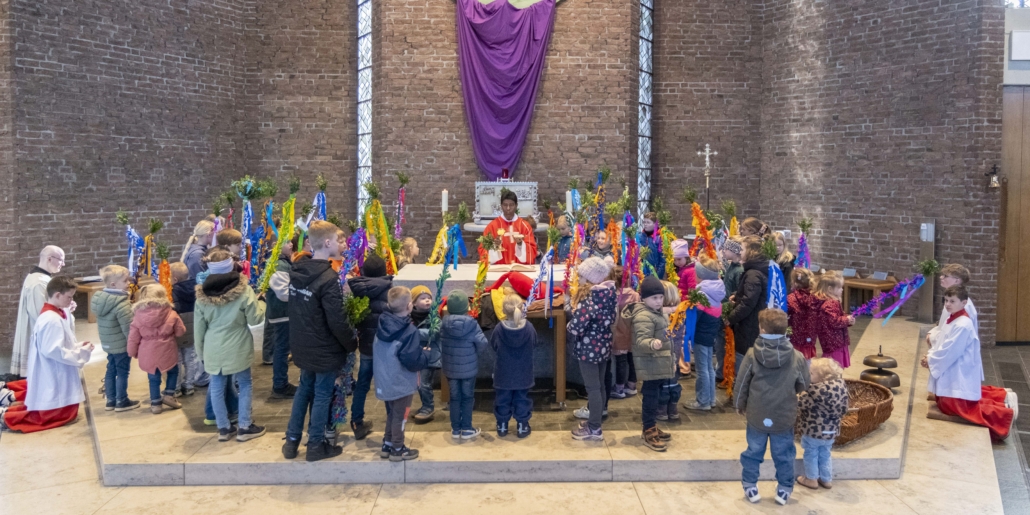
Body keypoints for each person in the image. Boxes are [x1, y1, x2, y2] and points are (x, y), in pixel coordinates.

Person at [282, 221, 358, 461]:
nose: (340, 244)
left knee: (304, 390)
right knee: (323, 394)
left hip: (303, 344)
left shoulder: (297, 271)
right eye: (337, 240)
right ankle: (315, 445)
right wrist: (351, 343)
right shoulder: (328, 278)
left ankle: (291, 442)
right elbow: (337, 319)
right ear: (327, 243)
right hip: (324, 348)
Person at [734, 308, 810, 505]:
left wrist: (739, 404)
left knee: (753, 452)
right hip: (784, 415)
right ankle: (784, 489)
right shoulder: (797, 357)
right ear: (786, 330)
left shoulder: (751, 355)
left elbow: (742, 383)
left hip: (757, 413)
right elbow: (804, 384)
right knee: (784, 454)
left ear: (761, 329)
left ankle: (750, 486)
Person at [923, 285, 1015, 442]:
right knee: (946, 403)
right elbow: (943, 344)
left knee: (954, 406)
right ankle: (1002, 403)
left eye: (952, 301)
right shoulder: (953, 318)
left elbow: (950, 351)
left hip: (957, 371)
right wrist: (930, 356)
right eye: (946, 300)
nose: (948, 304)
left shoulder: (962, 324)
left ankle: (1003, 416)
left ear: (964, 303)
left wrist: (930, 360)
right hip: (951, 369)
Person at [1, 276, 91, 433]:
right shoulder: (52, 320)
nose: (71, 300)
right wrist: (80, 353)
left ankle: (7, 409)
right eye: (69, 297)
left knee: (54, 411)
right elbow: (53, 350)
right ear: (57, 295)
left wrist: (77, 346)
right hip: (54, 372)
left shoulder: (52, 314)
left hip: (52, 368)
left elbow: (58, 344)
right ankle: (6, 416)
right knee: (52, 415)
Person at [195, 248, 267, 443]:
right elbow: (255, 318)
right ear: (230, 266)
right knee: (245, 383)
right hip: (238, 344)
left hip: (212, 346)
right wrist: (262, 303)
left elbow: (199, 329)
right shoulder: (244, 291)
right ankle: (245, 425)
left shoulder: (201, 295)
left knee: (217, 386)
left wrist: (201, 354)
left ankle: (224, 428)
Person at [374, 286, 428, 461]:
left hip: (385, 379)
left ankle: (387, 443)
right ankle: (398, 448)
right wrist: (424, 356)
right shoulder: (408, 331)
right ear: (409, 306)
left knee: (392, 413)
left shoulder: (382, 322)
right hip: (401, 381)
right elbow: (411, 360)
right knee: (401, 416)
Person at [568, 257, 617, 441]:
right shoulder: (608, 294)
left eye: (581, 276)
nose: (579, 279)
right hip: (603, 346)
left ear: (589, 279)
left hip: (589, 349)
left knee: (593, 389)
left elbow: (575, 328)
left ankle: (594, 428)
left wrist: (571, 321)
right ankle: (595, 420)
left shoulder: (589, 300)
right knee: (600, 386)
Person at [348, 254, 393, 440]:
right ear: (384, 271)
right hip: (384, 347)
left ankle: (356, 421)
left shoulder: (357, 290)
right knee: (388, 385)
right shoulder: (389, 290)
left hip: (366, 345)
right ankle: (392, 424)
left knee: (362, 384)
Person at [626, 275, 674, 451]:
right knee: (650, 398)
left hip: (658, 362)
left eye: (661, 297)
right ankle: (648, 430)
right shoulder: (644, 316)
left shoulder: (656, 312)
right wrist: (652, 343)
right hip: (651, 362)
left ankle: (652, 425)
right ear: (644, 298)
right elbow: (641, 341)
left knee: (655, 396)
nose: (659, 301)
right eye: (654, 298)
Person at [127, 284, 186, 415]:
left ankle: (155, 404)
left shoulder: (138, 316)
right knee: (173, 371)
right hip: (167, 350)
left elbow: (133, 338)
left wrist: (132, 352)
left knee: (153, 377)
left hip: (148, 351)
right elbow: (180, 332)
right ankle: (169, 395)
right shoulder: (171, 313)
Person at [440, 289, 489, 439]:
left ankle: (455, 429)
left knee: (454, 398)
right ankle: (466, 428)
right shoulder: (472, 325)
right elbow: (483, 343)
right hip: (468, 368)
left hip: (450, 368)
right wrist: (473, 354)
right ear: (467, 307)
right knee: (467, 397)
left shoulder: (443, 324)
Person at [11, 246, 65, 378]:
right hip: (39, 335)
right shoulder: (39, 282)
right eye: (61, 260)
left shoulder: (39, 278)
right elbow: (42, 314)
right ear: (49, 259)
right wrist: (64, 310)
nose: (63, 264)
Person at [795, 357, 849, 490]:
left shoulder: (813, 392)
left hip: (813, 432)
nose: (808, 375)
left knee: (811, 453)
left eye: (811, 373)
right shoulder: (841, 389)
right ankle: (826, 479)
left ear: (821, 377)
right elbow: (844, 409)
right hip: (831, 432)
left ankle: (811, 479)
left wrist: (797, 395)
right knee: (825, 454)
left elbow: (798, 404)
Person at [92, 264, 139, 412]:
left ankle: (110, 400)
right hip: (121, 345)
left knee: (111, 370)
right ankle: (122, 400)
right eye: (125, 281)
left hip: (108, 343)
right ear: (113, 284)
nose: (128, 283)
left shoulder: (101, 300)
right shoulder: (121, 304)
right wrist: (135, 345)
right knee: (122, 372)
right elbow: (129, 328)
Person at [683, 259, 726, 412]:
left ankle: (703, 401)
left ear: (701, 275)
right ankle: (711, 399)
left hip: (700, 336)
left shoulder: (702, 294)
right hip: (710, 334)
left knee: (702, 370)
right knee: (709, 368)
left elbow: (695, 317)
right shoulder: (717, 290)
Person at [492, 293, 537, 438]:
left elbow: (494, 345)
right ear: (522, 308)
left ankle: (502, 425)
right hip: (524, 372)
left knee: (502, 399)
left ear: (503, 310)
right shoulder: (529, 328)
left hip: (503, 373)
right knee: (522, 399)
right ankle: (522, 426)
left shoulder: (499, 329)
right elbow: (534, 343)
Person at [725, 236, 768, 375]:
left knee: (743, 362)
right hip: (753, 321)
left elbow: (748, 302)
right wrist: (737, 295)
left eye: (742, 249)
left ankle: (741, 387)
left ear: (751, 252)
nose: (740, 252)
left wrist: (731, 318)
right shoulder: (756, 270)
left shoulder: (753, 274)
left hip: (749, 324)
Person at [266, 233, 298, 398]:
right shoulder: (279, 265)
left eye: (290, 241)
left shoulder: (284, 262)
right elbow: (283, 292)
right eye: (286, 242)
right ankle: (280, 385)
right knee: (281, 348)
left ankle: (280, 383)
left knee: (283, 347)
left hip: (284, 312)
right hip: (282, 313)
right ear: (275, 245)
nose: (291, 244)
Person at [171, 262, 207, 397]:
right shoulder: (197, 289)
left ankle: (176, 387)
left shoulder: (172, 291)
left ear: (174, 279)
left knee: (177, 359)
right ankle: (189, 385)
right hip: (193, 328)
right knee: (191, 358)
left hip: (178, 328)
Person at [716, 237, 745, 387]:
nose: (723, 251)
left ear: (735, 251)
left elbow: (737, 292)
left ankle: (725, 373)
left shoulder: (739, 271)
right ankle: (721, 372)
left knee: (725, 343)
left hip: (729, 310)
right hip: (724, 307)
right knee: (721, 343)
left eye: (726, 249)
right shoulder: (732, 267)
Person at [927, 264, 978, 346]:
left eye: (945, 276)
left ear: (957, 281)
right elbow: (945, 326)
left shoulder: (963, 305)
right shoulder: (952, 299)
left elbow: (954, 334)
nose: (941, 277)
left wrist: (932, 338)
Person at [483, 190, 537, 264]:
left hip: (519, 269)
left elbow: (532, 252)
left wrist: (520, 244)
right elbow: (483, 250)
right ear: (501, 206)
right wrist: (494, 246)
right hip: (499, 269)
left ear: (516, 205)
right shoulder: (491, 226)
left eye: (511, 205)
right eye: (505, 205)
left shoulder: (525, 226)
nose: (508, 208)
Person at [411, 285, 440, 423]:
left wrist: (413, 333)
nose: (427, 300)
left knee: (424, 383)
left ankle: (428, 407)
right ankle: (425, 405)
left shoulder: (434, 315)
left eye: (429, 298)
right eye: (422, 298)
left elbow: (434, 333)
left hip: (430, 355)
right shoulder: (409, 315)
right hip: (416, 355)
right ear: (414, 303)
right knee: (419, 383)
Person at [813, 271, 854, 368]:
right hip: (834, 342)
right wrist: (846, 320)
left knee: (835, 367)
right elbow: (834, 321)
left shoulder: (829, 301)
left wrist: (848, 320)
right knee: (834, 367)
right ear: (830, 289)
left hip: (834, 341)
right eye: (839, 288)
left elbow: (838, 316)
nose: (842, 290)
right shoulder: (830, 303)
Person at [611, 266, 639, 399]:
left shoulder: (613, 296)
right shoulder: (635, 295)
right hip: (632, 331)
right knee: (632, 360)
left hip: (618, 332)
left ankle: (619, 388)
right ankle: (632, 385)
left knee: (620, 361)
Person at [787, 268, 819, 359]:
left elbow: (784, 317)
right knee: (807, 363)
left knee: (794, 363)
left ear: (794, 283)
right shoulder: (816, 298)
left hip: (793, 339)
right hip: (810, 338)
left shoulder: (790, 298)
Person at [637, 212, 665, 279]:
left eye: (648, 222)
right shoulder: (639, 237)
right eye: (644, 222)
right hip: (641, 272)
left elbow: (662, 260)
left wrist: (658, 276)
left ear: (655, 224)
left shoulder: (660, 238)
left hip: (654, 271)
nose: (645, 224)